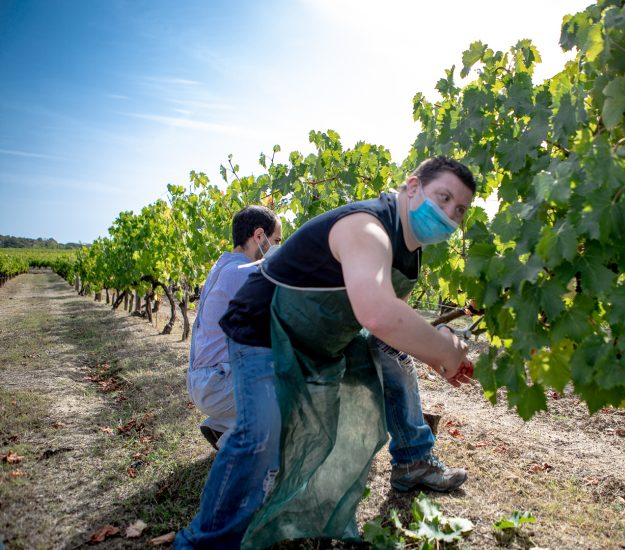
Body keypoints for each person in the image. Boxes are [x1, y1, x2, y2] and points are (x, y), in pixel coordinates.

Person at [175, 157, 476, 549]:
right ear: (413, 186)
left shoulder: (410, 255)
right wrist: (442, 348)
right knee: (261, 434)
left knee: (343, 415)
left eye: (460, 209)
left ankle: (400, 465)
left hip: (317, 341)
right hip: (263, 331)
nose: (450, 214)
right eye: (444, 197)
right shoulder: (368, 227)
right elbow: (377, 312)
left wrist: (437, 356)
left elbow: (388, 326)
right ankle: (202, 543)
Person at [187, 206, 281, 450]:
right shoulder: (244, 273)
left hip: (205, 381)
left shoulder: (223, 266)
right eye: (276, 241)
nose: (278, 247)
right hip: (218, 383)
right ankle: (236, 442)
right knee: (292, 388)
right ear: (258, 236)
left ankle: (221, 426)